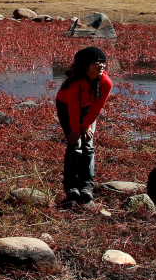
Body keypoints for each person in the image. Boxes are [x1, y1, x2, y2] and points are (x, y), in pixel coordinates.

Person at [55, 46, 113, 204]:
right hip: (66, 107)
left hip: (88, 109)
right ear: (85, 65)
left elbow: (97, 107)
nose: (101, 65)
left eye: (103, 62)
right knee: (75, 144)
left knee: (88, 145)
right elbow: (73, 108)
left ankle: (87, 186)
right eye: (96, 62)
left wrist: (86, 125)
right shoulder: (75, 83)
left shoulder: (106, 82)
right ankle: (71, 187)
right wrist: (75, 130)